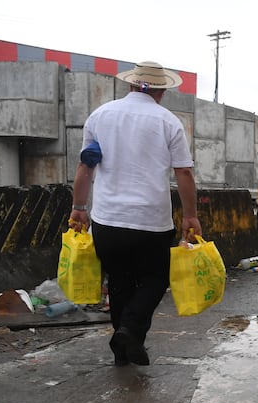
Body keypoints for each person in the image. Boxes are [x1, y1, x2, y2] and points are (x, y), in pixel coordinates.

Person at [69, 61, 201, 367]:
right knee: (155, 278)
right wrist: (190, 215)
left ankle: (123, 349)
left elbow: (85, 166)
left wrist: (79, 208)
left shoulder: (100, 116)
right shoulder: (168, 122)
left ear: (131, 85)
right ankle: (130, 330)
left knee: (119, 282)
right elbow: (183, 171)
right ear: (161, 90)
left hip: (107, 221)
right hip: (151, 222)